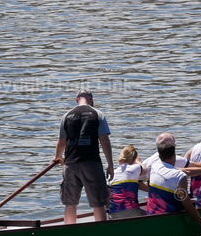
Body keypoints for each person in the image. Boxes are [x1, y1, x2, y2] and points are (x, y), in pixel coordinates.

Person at [54, 90, 114, 224]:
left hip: (70, 164)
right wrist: (110, 164)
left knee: (70, 202)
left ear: (76, 99)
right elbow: (104, 140)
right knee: (98, 202)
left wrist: (57, 156)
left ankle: (69, 232)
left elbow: (61, 141)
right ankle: (101, 231)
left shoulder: (66, 116)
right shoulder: (98, 114)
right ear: (91, 100)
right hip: (91, 162)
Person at [145, 133, 201, 235]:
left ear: (159, 156)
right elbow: (187, 205)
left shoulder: (155, 166)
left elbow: (186, 171)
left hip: (151, 213)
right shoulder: (180, 177)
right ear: (174, 155)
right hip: (166, 217)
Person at [108, 145, 149, 219]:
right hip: (131, 211)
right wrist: (138, 161)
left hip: (114, 212)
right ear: (133, 158)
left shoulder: (112, 173)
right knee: (151, 214)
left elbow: (107, 195)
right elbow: (145, 170)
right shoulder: (135, 167)